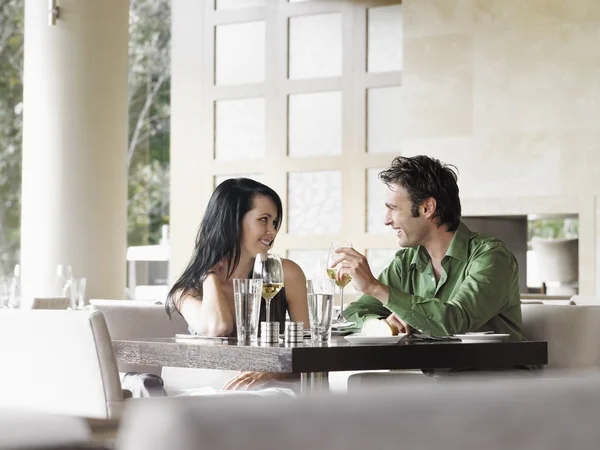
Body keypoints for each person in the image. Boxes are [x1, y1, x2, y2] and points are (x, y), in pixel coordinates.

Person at [335, 155, 524, 340]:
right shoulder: (406, 261)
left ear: (427, 208)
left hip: (494, 369)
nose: (386, 220)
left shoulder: (491, 256)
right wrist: (383, 324)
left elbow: (455, 320)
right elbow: (354, 313)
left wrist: (374, 287)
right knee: (361, 374)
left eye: (393, 208)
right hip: (434, 369)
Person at [166, 178, 309, 390]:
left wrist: (270, 369)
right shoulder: (185, 292)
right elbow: (218, 328)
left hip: (270, 390)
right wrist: (209, 273)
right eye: (263, 220)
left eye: (275, 222)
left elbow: (309, 347)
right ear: (232, 222)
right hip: (208, 387)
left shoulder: (286, 273)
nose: (272, 231)